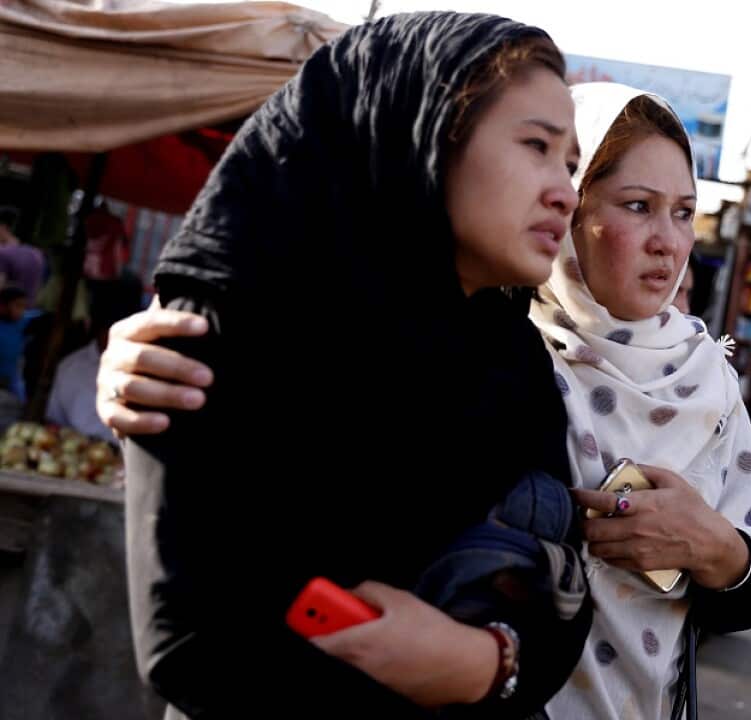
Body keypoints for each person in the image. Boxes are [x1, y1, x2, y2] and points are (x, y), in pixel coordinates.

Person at [99, 79, 751, 720]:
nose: (668, 243)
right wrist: (150, 364)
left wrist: (715, 549)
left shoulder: (706, 382)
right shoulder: (477, 339)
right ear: (568, 202)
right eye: (637, 207)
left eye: (684, 213)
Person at [117, 15, 594, 719]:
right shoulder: (231, 326)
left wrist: (482, 664)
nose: (566, 192)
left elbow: (563, 600)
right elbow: (192, 645)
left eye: (572, 164)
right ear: (427, 133)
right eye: (537, 147)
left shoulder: (511, 362)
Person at [46, 275, 143, 443]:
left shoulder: (146, 369)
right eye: (110, 329)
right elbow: (54, 421)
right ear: (97, 327)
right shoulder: (70, 368)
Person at [0, 208, 46, 305]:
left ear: (3, 227)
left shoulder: (3, 253)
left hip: (7, 314)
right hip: (27, 314)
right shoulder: (37, 254)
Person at [0, 286, 38, 401]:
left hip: (12, 380)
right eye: (17, 305)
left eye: (23, 306)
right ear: (3, 306)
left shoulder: (23, 321)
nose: (22, 310)